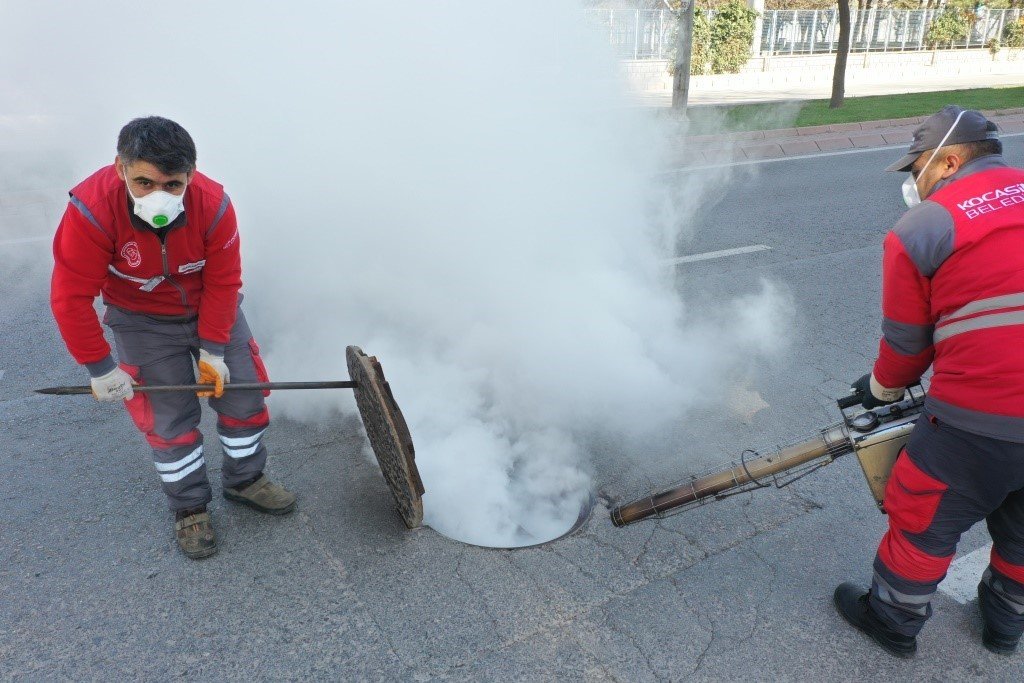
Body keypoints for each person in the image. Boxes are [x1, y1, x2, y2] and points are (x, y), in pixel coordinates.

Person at [50, 116, 295, 560]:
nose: (159, 196)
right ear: (120, 168)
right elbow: (70, 298)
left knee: (244, 394)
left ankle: (246, 480)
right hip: (140, 320)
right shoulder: (90, 210)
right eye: (144, 182)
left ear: (191, 176)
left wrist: (215, 348)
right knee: (168, 419)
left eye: (173, 185)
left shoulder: (214, 205)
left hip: (209, 308)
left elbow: (224, 281)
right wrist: (101, 369)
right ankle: (190, 507)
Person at [833, 105, 1024, 657]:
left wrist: (877, 390)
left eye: (917, 167)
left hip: (978, 420)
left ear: (949, 161)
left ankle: (892, 620)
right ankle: (1006, 625)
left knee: (923, 512)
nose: (914, 180)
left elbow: (905, 351)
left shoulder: (924, 226)